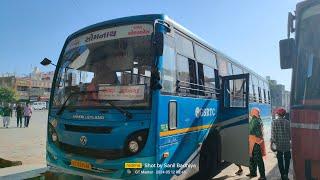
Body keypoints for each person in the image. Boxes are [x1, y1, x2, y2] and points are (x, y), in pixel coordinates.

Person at [271, 108, 291, 180]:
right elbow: (290, 134)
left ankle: (282, 175)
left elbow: (273, 134)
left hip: (278, 144)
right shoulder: (288, 122)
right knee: (287, 159)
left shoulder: (274, 122)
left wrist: (272, 144)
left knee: (280, 160)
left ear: (277, 114)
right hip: (286, 144)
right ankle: (286, 174)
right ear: (284, 114)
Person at [247, 108, 266, 180]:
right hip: (255, 141)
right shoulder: (258, 119)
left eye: (251, 112)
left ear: (254, 112)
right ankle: (253, 172)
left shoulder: (255, 120)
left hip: (255, 142)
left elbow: (251, 130)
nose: (250, 113)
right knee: (252, 158)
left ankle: (263, 176)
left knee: (258, 159)